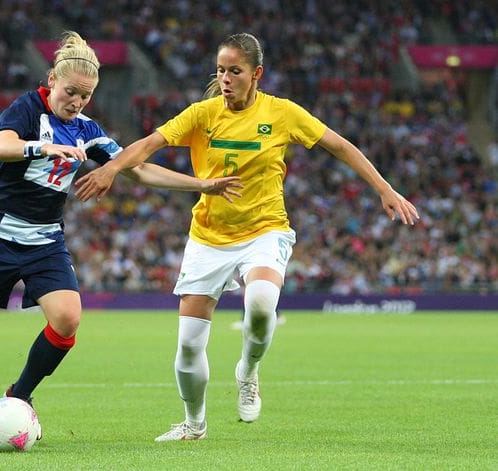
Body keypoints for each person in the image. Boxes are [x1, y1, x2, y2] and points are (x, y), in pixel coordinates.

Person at [75, 32, 419, 441]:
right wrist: (112, 168)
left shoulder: (282, 113)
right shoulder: (202, 114)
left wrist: (384, 188)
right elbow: (148, 145)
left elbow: (340, 146)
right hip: (208, 236)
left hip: (265, 229)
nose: (225, 78)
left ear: (256, 74)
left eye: (234, 71)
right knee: (188, 347)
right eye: (220, 70)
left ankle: (248, 371)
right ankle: (193, 424)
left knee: (259, 304)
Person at [0, 31, 242, 443]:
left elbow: (139, 168)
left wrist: (201, 185)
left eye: (86, 95)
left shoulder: (87, 131)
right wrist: (44, 149)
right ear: (52, 81)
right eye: (71, 92)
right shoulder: (28, 109)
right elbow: (0, 146)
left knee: (67, 320)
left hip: (45, 241)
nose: (76, 102)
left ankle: (19, 396)